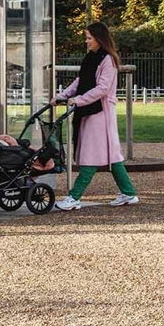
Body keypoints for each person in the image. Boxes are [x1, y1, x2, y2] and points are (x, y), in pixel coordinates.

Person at [53, 22, 138, 209]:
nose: (86, 41)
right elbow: (80, 81)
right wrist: (62, 96)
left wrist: (78, 100)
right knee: (112, 156)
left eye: (89, 38)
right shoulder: (92, 57)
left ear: (99, 39)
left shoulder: (108, 60)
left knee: (90, 154)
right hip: (90, 109)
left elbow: (103, 88)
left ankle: (74, 197)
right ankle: (129, 193)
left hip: (100, 112)